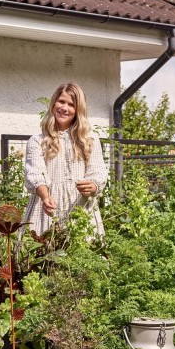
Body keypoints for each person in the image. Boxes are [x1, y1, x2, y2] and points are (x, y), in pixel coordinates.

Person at [22, 82, 108, 236]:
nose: (64, 108)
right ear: (54, 103)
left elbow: (98, 171)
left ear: (78, 110)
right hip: (47, 207)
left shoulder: (89, 140)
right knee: (41, 253)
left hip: (80, 209)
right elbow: (35, 173)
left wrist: (93, 186)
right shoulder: (38, 140)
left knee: (82, 255)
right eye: (61, 101)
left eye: (71, 104)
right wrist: (45, 196)